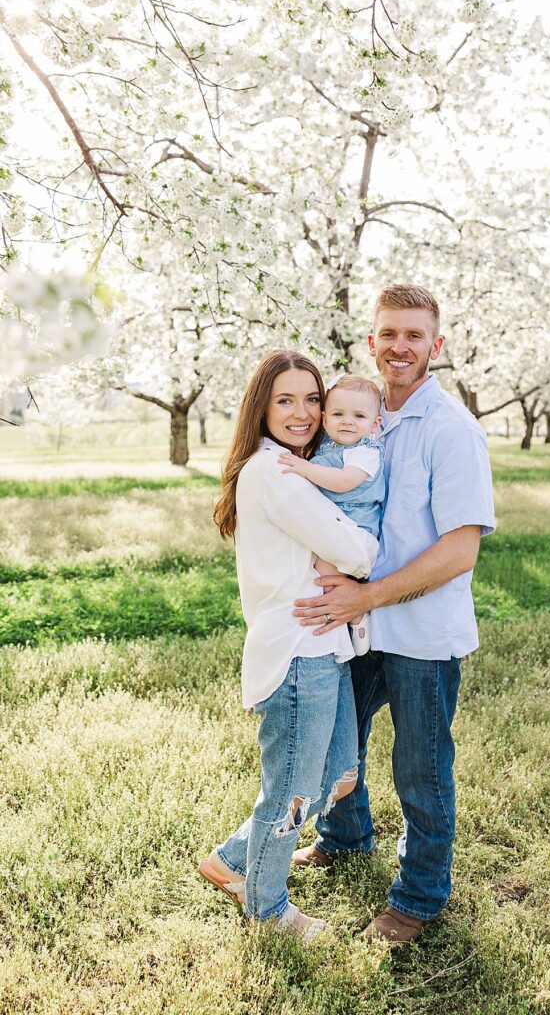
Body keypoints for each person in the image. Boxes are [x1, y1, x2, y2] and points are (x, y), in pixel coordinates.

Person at [291, 284, 495, 943]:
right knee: (332, 737)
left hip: (420, 633)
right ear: (371, 342)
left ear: (436, 346)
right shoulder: (360, 417)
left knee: (420, 768)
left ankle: (419, 896)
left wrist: (366, 595)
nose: (399, 346)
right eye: (388, 334)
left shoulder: (451, 430)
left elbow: (459, 551)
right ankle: (344, 838)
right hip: (357, 624)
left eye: (413, 335)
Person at [198, 350, 378, 942]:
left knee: (341, 774)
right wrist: (360, 549)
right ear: (261, 408)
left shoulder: (297, 468)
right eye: (285, 400)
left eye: (310, 399)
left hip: (326, 648)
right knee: (294, 793)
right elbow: (358, 554)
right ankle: (268, 908)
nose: (302, 413)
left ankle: (229, 859)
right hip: (299, 654)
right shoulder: (276, 472)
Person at [277, 374, 385, 654]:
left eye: (359, 416)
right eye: (338, 414)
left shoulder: (366, 451)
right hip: (338, 523)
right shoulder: (328, 444)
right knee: (313, 566)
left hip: (357, 528)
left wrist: (304, 469)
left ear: (374, 425)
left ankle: (356, 615)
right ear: (324, 420)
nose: (347, 421)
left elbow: (343, 482)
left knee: (325, 573)